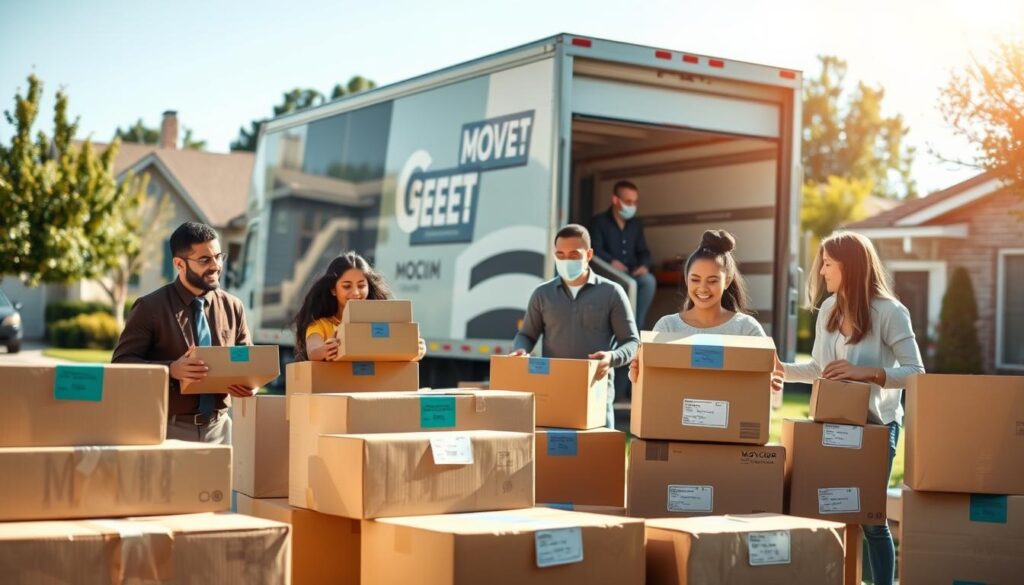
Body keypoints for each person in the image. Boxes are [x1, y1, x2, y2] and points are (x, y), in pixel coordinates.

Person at [774, 230, 924, 585]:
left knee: (871, 518)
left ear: (850, 266)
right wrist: (780, 370)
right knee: (827, 507)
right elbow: (819, 369)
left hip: (877, 427)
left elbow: (916, 373)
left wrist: (866, 373)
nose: (821, 271)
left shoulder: (890, 312)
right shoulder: (829, 308)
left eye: (828, 264)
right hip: (833, 424)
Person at [112, 221, 255, 444]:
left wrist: (251, 383)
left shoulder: (233, 306)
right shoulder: (150, 307)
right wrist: (171, 369)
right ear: (179, 264)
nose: (216, 266)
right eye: (205, 260)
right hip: (167, 428)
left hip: (221, 429)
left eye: (219, 256)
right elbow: (121, 365)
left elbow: (248, 358)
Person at [509, 224, 640, 428]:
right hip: (553, 390)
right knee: (555, 446)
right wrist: (520, 349)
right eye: (560, 255)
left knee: (599, 447)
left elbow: (632, 342)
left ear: (589, 255)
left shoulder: (612, 293)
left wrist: (612, 357)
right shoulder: (542, 294)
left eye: (573, 254)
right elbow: (526, 334)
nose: (566, 260)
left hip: (595, 390)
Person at [628, 230, 783, 397]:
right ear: (686, 279)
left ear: (727, 281)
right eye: (695, 279)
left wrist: (772, 381)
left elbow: (769, 374)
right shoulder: (667, 327)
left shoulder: (746, 329)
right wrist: (635, 373)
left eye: (712, 280)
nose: (702, 288)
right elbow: (648, 380)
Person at [293, 251, 426, 362]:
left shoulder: (378, 324)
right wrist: (326, 350)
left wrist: (414, 350)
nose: (356, 293)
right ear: (333, 289)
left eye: (361, 286)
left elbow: (391, 355)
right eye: (347, 286)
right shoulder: (320, 325)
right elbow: (313, 351)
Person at [590, 180, 655, 329]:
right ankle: (622, 329)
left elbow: (643, 251)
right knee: (626, 284)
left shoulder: (636, 225)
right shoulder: (599, 222)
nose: (632, 206)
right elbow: (595, 249)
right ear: (615, 200)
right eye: (628, 201)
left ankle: (636, 327)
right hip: (609, 275)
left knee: (648, 281)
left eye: (635, 202)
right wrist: (611, 262)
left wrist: (644, 266)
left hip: (632, 273)